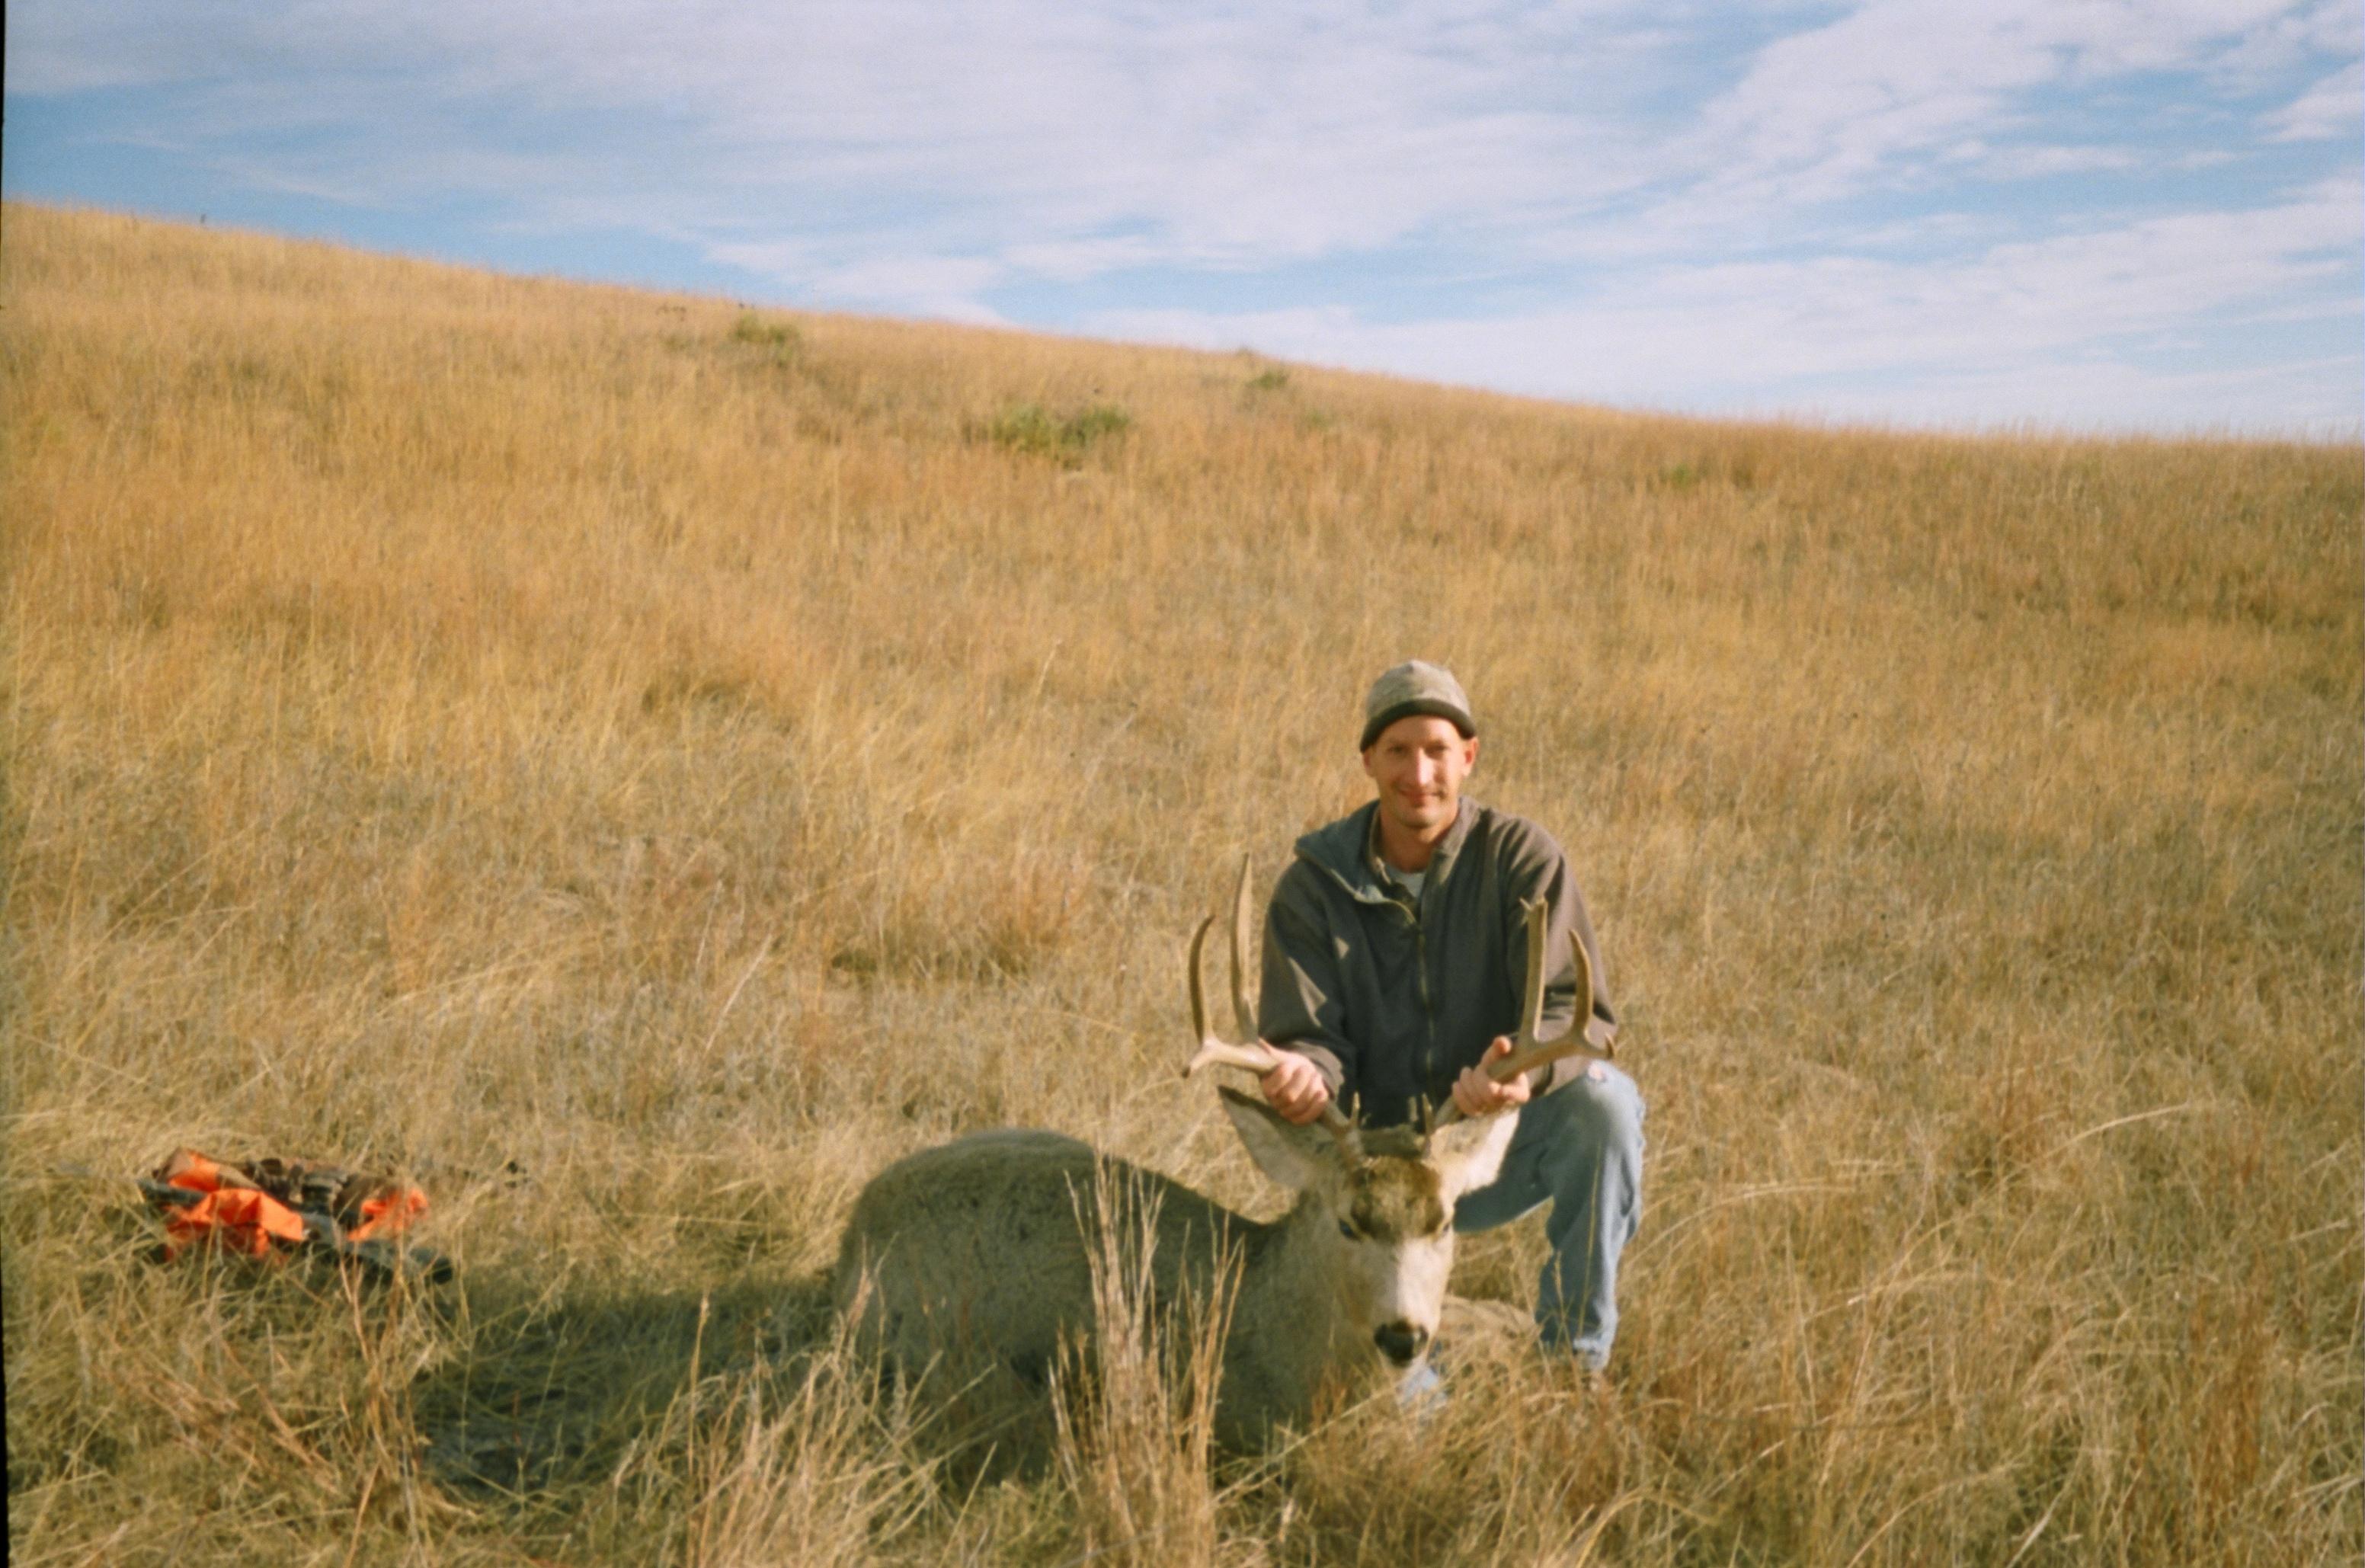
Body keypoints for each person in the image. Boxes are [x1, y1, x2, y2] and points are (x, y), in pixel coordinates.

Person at [1254, 660, 1645, 1371]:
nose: (1419, 773)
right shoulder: (1314, 887)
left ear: (1469, 756)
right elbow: (1306, 1036)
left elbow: (1575, 1012)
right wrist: (1303, 1074)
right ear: (1369, 759)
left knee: (1604, 1107)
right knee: (1402, 1416)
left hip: (1483, 1146)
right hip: (1379, 1174)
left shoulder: (1521, 860)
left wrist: (1522, 1073)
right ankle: (1394, 1365)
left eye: (1437, 750)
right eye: (1398, 751)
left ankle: (1575, 1364)